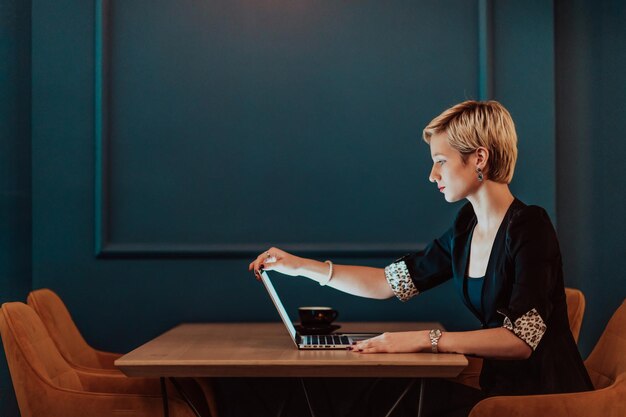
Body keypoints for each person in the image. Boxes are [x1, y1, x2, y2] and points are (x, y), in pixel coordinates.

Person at [248, 100, 593, 416]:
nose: (433, 175)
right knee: (383, 396)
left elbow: (521, 340)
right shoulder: (466, 228)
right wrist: (299, 267)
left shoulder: (530, 226)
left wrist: (426, 339)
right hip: (497, 392)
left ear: (479, 158)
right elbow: (389, 283)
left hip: (544, 400)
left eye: (440, 162)